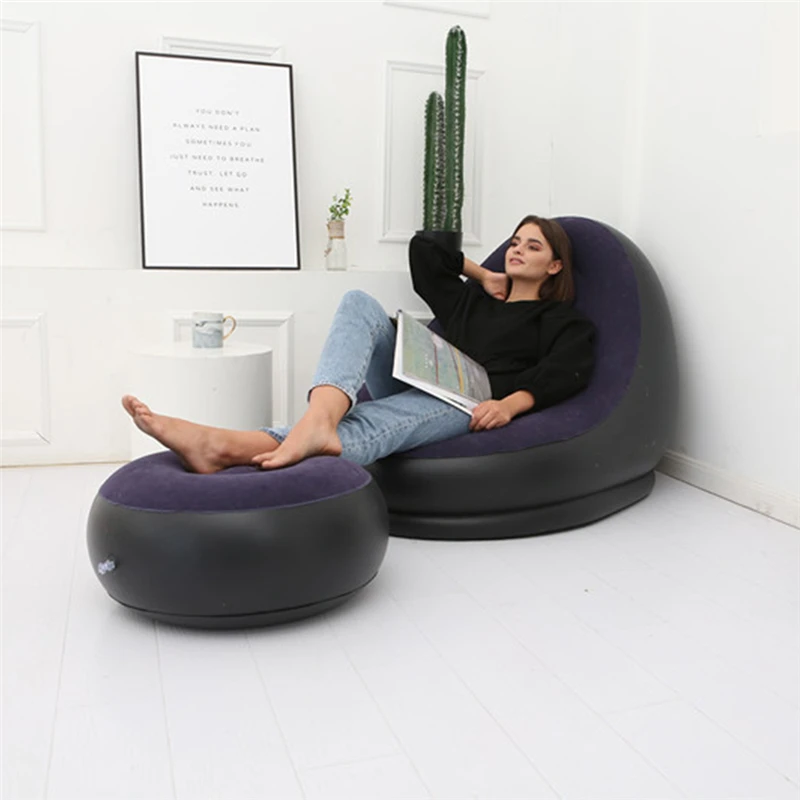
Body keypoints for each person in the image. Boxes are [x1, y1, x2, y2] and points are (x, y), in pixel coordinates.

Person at [123, 215, 595, 474]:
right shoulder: (473, 299)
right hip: (422, 378)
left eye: (533, 246)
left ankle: (223, 445)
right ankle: (320, 419)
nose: (517, 249)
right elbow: (424, 250)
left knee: (374, 420)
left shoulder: (559, 318)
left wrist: (510, 405)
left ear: (555, 266)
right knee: (359, 303)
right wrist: (482, 273)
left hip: (468, 402)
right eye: (514, 241)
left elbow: (568, 369)